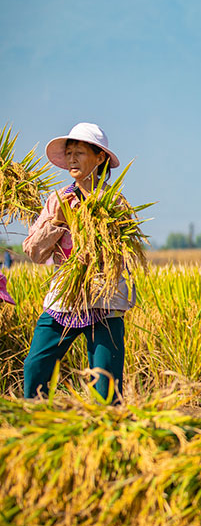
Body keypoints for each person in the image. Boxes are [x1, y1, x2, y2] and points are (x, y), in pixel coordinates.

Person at [22, 123, 134, 402]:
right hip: (64, 300)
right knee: (36, 366)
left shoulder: (116, 204)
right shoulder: (58, 200)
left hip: (103, 302)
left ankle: (106, 435)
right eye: (69, 153)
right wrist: (57, 221)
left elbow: (124, 254)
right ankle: (34, 422)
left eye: (79, 153)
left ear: (100, 158)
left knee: (106, 383)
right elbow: (34, 253)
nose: (72, 159)